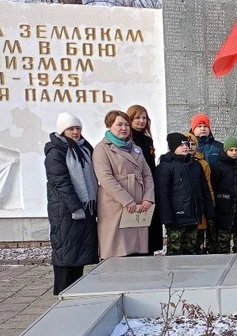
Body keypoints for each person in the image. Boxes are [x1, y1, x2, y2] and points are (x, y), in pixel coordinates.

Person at [44, 113, 98, 294]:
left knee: (79, 256)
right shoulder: (56, 151)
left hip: (85, 209)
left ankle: (75, 294)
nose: (75, 132)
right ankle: (62, 295)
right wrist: (75, 207)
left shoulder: (84, 147)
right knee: (66, 256)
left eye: (78, 128)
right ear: (62, 130)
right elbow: (60, 182)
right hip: (66, 212)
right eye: (71, 129)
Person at [93, 110, 155, 258]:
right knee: (118, 249)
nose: (124, 128)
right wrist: (126, 200)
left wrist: (148, 197)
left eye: (127, 124)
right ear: (110, 126)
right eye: (119, 124)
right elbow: (105, 177)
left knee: (137, 250)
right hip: (115, 204)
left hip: (139, 202)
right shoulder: (102, 149)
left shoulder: (135, 148)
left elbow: (147, 174)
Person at [156, 133, 215, 255]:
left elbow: (204, 190)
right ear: (173, 147)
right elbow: (163, 194)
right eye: (181, 144)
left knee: (192, 250)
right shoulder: (166, 167)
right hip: (176, 219)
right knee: (175, 251)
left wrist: (208, 210)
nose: (185, 147)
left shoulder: (196, 165)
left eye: (186, 144)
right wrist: (166, 217)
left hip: (193, 216)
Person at [127, 104, 163, 254]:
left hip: (149, 186)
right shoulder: (128, 139)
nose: (141, 121)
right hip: (135, 187)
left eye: (144, 118)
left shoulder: (147, 140)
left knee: (150, 228)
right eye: (137, 118)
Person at [183, 132, 215, 254]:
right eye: (187, 144)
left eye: (193, 144)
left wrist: (210, 204)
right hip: (184, 208)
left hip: (200, 205)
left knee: (199, 239)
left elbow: (208, 187)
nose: (190, 147)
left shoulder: (203, 164)